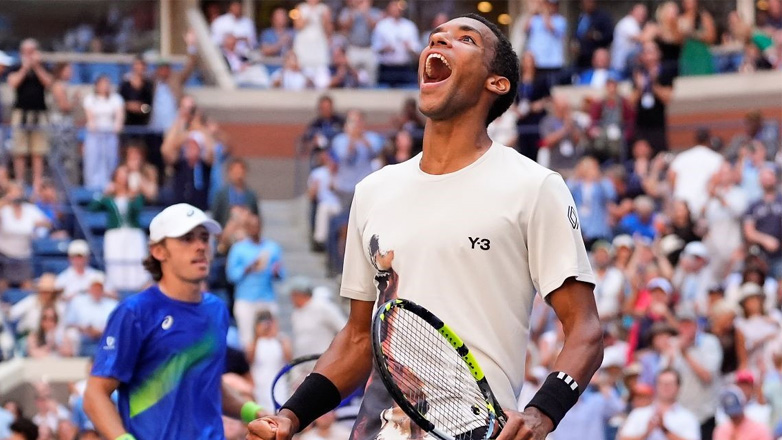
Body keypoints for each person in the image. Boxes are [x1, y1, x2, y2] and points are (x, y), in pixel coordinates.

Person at [247, 13, 603, 440]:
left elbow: (585, 330)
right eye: (435, 37)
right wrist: (290, 415)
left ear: (497, 83)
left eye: (464, 38)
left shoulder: (535, 186)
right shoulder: (374, 190)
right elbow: (360, 338)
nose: (440, 42)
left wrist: (542, 413)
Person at [84, 203, 266, 439]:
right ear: (159, 251)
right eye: (186, 238)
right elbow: (94, 395)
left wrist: (255, 413)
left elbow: (208, 384)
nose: (200, 246)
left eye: (204, 237)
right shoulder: (135, 312)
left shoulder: (217, 310)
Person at [226, 214, 285, 348]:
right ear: (246, 228)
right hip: (245, 298)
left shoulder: (272, 247)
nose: (254, 229)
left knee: (272, 337)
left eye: (256, 226)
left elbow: (281, 274)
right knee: (246, 338)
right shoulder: (238, 249)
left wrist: (276, 272)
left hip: (267, 297)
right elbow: (231, 275)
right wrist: (247, 269)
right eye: (251, 226)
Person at [7, 38, 53, 189]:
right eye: (27, 52)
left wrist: (37, 67)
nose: (29, 55)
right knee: (19, 150)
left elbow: (49, 83)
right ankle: (20, 181)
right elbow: (13, 83)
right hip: (21, 113)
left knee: (38, 151)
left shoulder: (44, 67)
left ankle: (37, 182)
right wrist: (25, 68)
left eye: (32, 51)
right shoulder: (16, 66)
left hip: (39, 113)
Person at [619, 368, 701, 440]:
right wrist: (647, 433)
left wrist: (664, 430)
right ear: (655, 386)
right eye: (662, 383)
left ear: (678, 387)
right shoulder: (639, 413)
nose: (666, 387)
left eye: (670, 384)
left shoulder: (688, 417)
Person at [0, 182, 51, 289]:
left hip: (24, 255)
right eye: (13, 192)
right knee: (2, 284)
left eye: (18, 192)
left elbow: (48, 223)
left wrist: (38, 224)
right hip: (4, 255)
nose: (16, 195)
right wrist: (6, 200)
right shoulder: (4, 209)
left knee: (27, 286)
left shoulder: (30, 209)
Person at [82, 75, 125, 190]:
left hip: (110, 134)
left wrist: (117, 126)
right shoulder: (90, 99)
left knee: (110, 159)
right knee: (93, 160)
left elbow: (119, 117)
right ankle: (91, 185)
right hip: (95, 135)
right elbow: (90, 118)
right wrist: (94, 127)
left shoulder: (116, 99)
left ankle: (110, 183)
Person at [631, 42, 674, 154]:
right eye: (645, 52)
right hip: (641, 123)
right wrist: (640, 88)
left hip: (658, 124)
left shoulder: (665, 72)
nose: (648, 55)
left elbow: (667, 98)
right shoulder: (638, 73)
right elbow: (631, 102)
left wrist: (653, 83)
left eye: (651, 52)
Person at [289, 277, 347, 357]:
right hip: (302, 362)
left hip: (322, 361)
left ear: (299, 294)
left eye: (293, 295)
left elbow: (343, 328)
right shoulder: (296, 313)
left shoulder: (323, 307)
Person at [65, 272, 118, 357]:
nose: (96, 290)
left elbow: (117, 325)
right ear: (89, 288)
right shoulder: (78, 301)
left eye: (99, 288)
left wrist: (101, 331)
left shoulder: (112, 304)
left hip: (105, 335)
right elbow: (70, 323)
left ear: (103, 289)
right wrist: (84, 329)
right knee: (71, 334)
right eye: (94, 287)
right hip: (83, 334)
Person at [248, 311, 292, 412]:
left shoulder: (282, 340)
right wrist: (257, 335)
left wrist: (276, 333)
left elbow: (289, 358)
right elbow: (249, 359)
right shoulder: (254, 342)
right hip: (260, 384)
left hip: (279, 384)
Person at [743, 168, 782, 278]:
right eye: (764, 178)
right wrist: (765, 240)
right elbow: (749, 231)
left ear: (775, 179)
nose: (767, 181)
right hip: (760, 256)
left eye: (769, 177)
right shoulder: (754, 205)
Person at [372, 1, 421, 87]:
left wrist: (410, 48)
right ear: (389, 8)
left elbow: (417, 50)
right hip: (387, 68)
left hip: (405, 68)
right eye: (394, 6)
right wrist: (385, 48)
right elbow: (375, 47)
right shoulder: (382, 26)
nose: (397, 9)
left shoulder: (409, 26)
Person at [338, 0, 382, 86]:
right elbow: (344, 27)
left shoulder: (374, 12)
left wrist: (365, 12)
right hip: (353, 48)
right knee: (350, 74)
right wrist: (354, 11)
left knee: (372, 70)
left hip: (368, 48)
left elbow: (375, 27)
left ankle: (372, 92)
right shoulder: (347, 11)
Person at [524, 0, 567, 86]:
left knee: (552, 90)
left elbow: (549, 27)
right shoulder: (535, 19)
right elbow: (525, 29)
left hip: (553, 63)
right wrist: (532, 11)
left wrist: (545, 11)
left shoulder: (560, 20)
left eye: (553, 5)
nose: (551, 7)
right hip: (537, 62)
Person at [212, 158, 260, 227]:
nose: (238, 175)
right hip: (227, 231)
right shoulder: (221, 194)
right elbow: (216, 216)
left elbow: (256, 216)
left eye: (241, 172)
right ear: (229, 173)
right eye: (235, 172)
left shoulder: (251, 195)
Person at [678, 0, 716, 76]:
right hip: (687, 54)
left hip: (701, 55)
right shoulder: (680, 18)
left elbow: (711, 37)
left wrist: (693, 33)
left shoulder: (703, 16)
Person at [573, 0, 614, 71]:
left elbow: (609, 35)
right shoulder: (582, 17)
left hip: (595, 59)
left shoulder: (603, 17)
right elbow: (577, 34)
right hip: (581, 58)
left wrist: (595, 36)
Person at [293, 0, 332, 71]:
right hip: (304, 43)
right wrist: (307, 19)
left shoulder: (324, 9)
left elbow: (329, 30)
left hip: (319, 43)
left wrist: (325, 21)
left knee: (321, 68)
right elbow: (297, 25)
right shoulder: (300, 7)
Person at [612, 4, 648, 76]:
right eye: (639, 13)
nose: (642, 15)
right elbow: (641, 39)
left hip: (626, 65)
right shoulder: (628, 22)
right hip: (621, 66)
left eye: (643, 13)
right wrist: (653, 30)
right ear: (631, 12)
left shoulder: (636, 24)